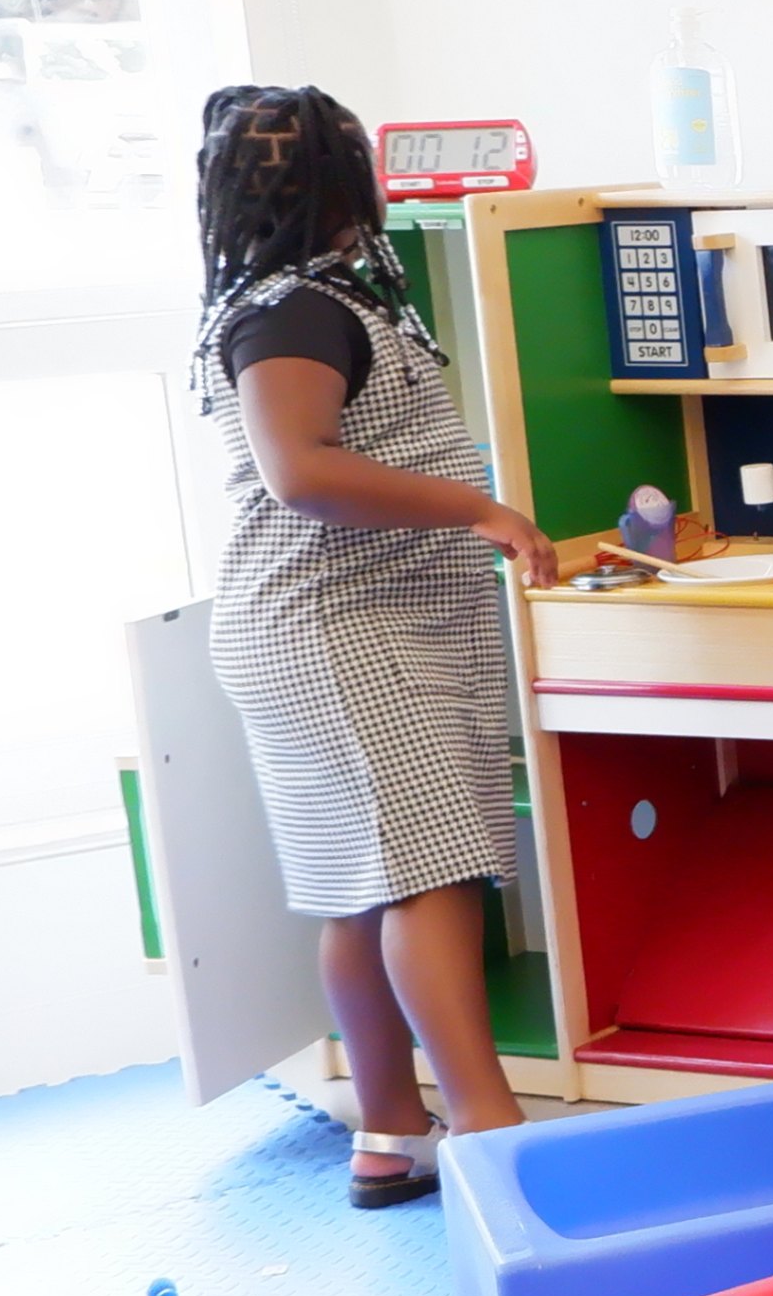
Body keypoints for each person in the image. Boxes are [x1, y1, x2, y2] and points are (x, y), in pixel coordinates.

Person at [189, 85, 556, 1205]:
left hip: (337, 630)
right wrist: (480, 510)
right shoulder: (294, 312)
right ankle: (491, 1138)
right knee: (431, 878)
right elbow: (300, 469)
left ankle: (390, 1132)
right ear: (348, 183)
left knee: (365, 887)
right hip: (343, 633)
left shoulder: (306, 298)